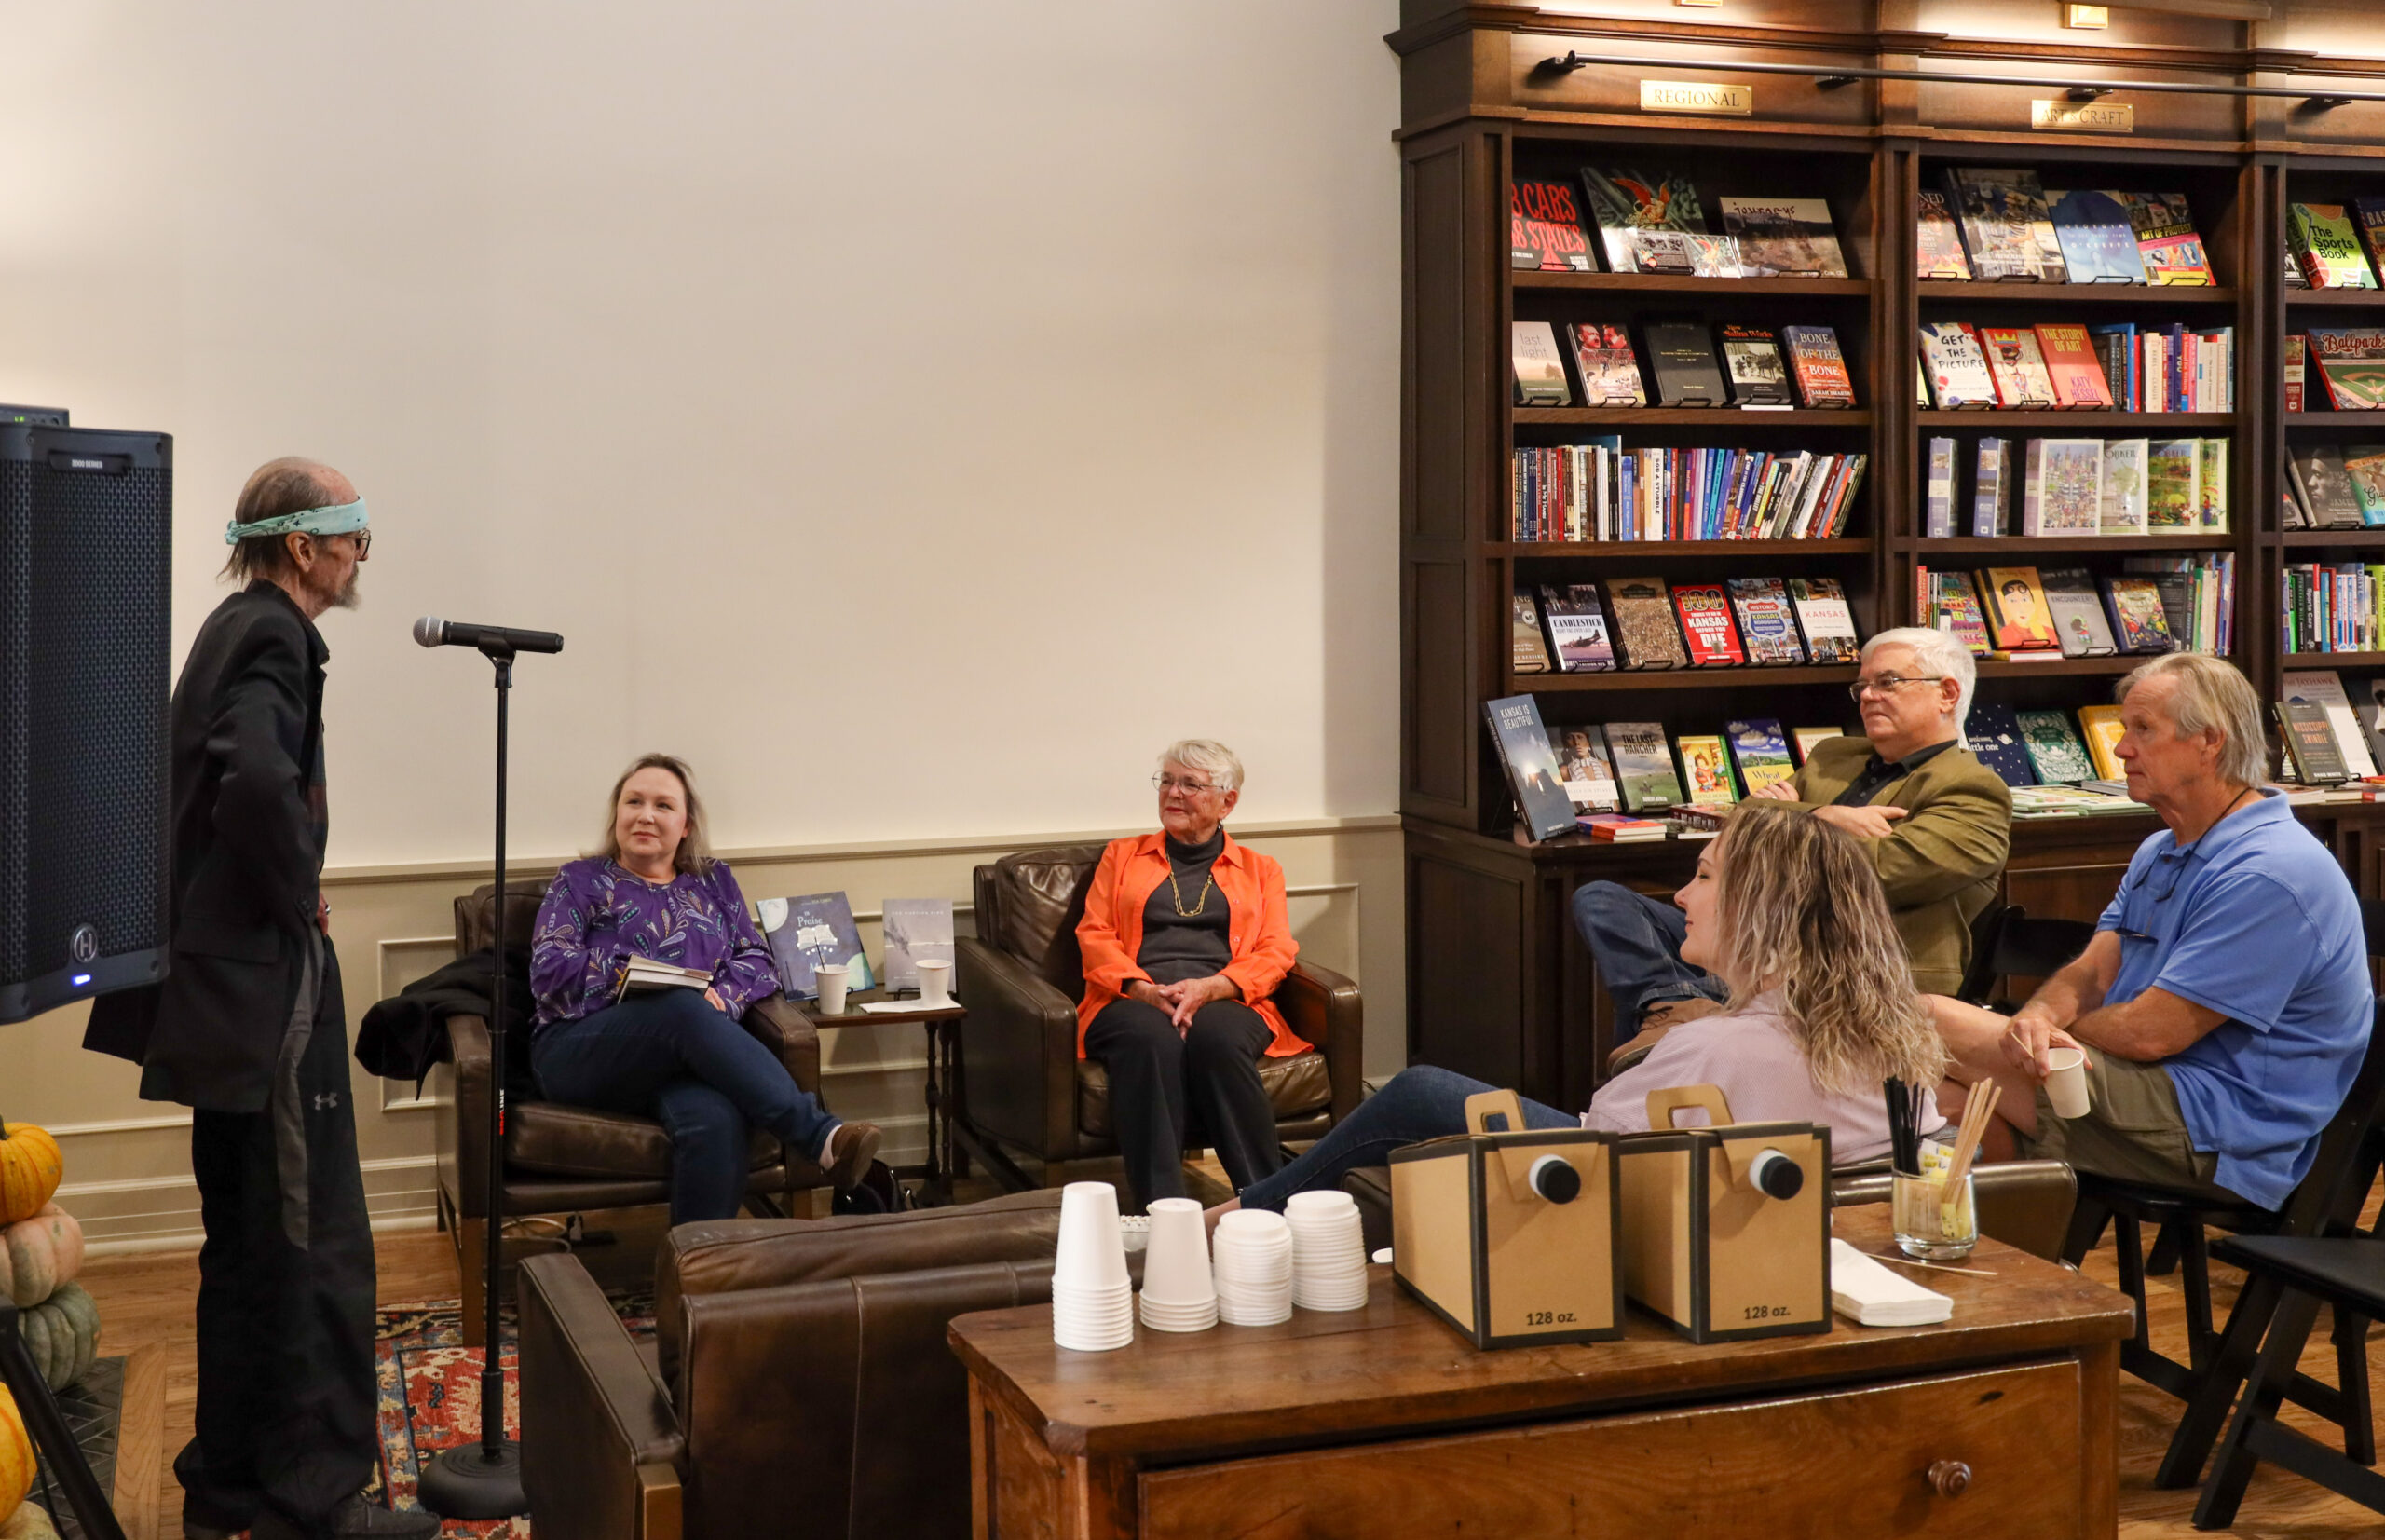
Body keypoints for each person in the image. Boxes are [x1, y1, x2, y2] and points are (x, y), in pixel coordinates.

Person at [83, 459, 429, 1540]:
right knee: (310, 1243)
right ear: (303, 545)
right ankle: (314, 1500)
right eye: (352, 533)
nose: (361, 553)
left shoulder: (230, 629)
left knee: (242, 1245)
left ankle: (228, 1486)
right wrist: (298, 899)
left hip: (223, 996)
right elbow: (257, 786)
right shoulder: (273, 635)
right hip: (263, 994)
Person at [1220, 806, 1947, 1215]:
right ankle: (1249, 1203)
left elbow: (1595, 1158)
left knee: (1419, 1092)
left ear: (1763, 906)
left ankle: (1240, 1213)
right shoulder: (1899, 1040)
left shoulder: (1714, 1050)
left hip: (1636, 1225)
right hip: (1810, 1236)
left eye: (1701, 876)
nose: (1682, 898)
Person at [1930, 654, 2373, 1209]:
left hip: (2219, 1130)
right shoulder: (2161, 847)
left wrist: (2046, 1035)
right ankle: (2013, 1281)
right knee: (1944, 1099)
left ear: (2209, 741)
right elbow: (2093, 969)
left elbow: (2152, 1034)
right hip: (2149, 1086)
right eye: (2122, 729)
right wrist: (2040, 1019)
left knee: (1926, 1016)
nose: (2120, 749)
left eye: (2142, 729)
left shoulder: (2273, 871)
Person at [1574, 626, 2010, 1071]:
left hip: (1845, 983)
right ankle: (1675, 1008)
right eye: (1862, 686)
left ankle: (1645, 1084)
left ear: (1947, 693)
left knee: (1657, 1021)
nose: (1868, 696)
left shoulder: (1973, 790)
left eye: (1888, 682)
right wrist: (1824, 815)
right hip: (1751, 952)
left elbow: (1879, 875)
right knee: (1601, 900)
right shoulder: (1834, 756)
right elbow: (1740, 827)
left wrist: (1788, 817)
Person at [529, 755, 880, 1224]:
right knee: (679, 1007)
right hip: (581, 1051)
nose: (646, 815)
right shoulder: (580, 881)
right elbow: (549, 970)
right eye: (633, 801)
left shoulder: (712, 881)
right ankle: (819, 1137)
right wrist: (631, 976)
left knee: (715, 1120)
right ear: (617, 813)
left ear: (685, 825)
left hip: (684, 1056)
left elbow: (755, 958)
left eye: (662, 805)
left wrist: (724, 998)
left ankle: (699, 1278)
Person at [1077, 741, 1304, 1210]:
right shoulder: (1122, 856)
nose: (1172, 793)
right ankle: (1164, 1212)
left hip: (1228, 997)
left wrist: (1213, 988)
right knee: (1149, 1038)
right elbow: (1094, 933)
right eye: (1167, 780)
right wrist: (1140, 987)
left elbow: (1276, 950)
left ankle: (1265, 1202)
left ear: (1228, 801)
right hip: (1130, 997)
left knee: (1217, 1039)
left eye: (1190, 784)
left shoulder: (1262, 871)